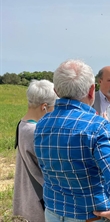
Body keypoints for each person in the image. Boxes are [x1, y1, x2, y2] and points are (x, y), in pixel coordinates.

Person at [34, 59, 110, 222]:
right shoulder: (98, 126)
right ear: (91, 90)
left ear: (56, 91)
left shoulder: (42, 124)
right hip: (90, 215)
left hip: (53, 211)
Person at [13, 79, 58, 222]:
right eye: (54, 107)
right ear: (44, 107)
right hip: (40, 203)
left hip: (28, 197)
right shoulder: (36, 132)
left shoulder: (22, 124)